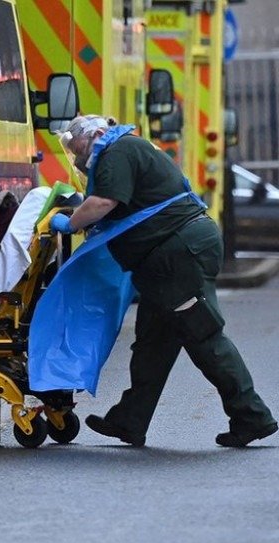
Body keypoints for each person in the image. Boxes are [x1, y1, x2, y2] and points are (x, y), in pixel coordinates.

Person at [50, 114, 277, 447]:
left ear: (96, 133)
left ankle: (252, 416)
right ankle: (130, 420)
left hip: (177, 255)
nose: (77, 153)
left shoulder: (117, 151)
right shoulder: (124, 150)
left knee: (204, 337)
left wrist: (70, 223)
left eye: (77, 144)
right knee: (153, 343)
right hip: (167, 259)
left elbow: (103, 202)